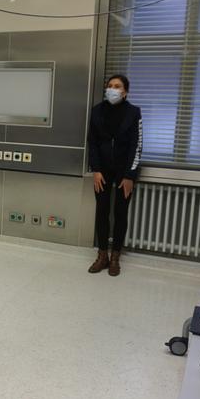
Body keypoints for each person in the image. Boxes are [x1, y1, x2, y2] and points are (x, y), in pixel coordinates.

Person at [87, 74, 142, 277]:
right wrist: (96, 170)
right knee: (101, 212)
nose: (113, 89)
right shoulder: (97, 111)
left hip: (124, 173)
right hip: (102, 171)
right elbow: (92, 142)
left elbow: (137, 145)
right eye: (110, 86)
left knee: (120, 213)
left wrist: (129, 175)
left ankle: (115, 257)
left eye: (117, 86)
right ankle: (102, 256)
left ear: (125, 91)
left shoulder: (133, 112)